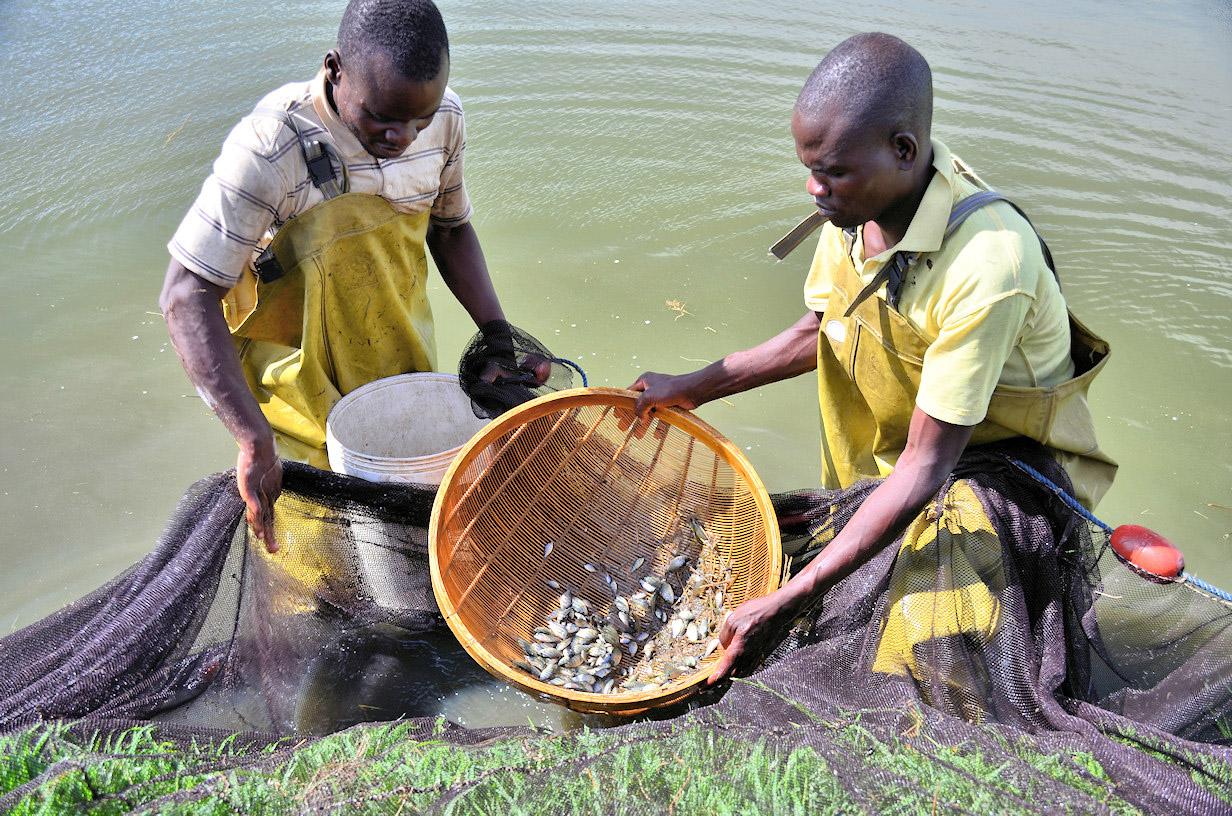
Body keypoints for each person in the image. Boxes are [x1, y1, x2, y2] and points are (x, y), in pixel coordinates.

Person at [628, 33, 1117, 691]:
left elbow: (925, 467)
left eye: (831, 172)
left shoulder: (988, 266)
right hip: (901, 460)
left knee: (923, 673)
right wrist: (692, 387)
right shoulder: (860, 213)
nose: (813, 188)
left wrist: (791, 595)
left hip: (994, 479)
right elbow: (819, 330)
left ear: (903, 152)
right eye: (809, 168)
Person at [160, 0, 515, 550]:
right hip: (295, 402)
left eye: (416, 122)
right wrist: (252, 439)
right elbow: (186, 296)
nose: (402, 137)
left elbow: (450, 230)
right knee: (316, 567)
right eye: (381, 118)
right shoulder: (270, 148)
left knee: (410, 548)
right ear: (335, 69)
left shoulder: (445, 119)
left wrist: (496, 332)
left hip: (401, 371)